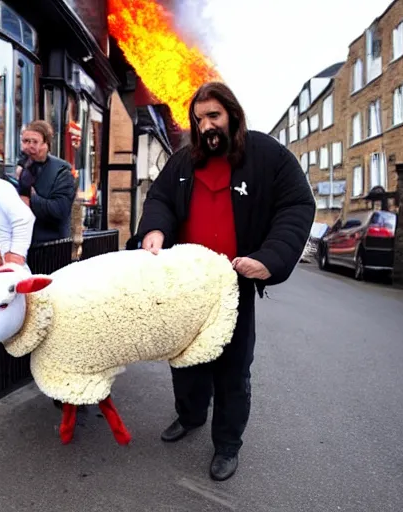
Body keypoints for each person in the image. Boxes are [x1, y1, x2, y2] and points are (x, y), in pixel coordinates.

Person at [132, 82, 316, 481]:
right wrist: (155, 231)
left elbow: (297, 204)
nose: (206, 126)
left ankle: (228, 446)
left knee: (233, 370)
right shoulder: (183, 162)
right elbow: (159, 198)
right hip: (185, 285)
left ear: (232, 114)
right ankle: (191, 415)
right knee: (185, 360)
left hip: (232, 286)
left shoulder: (268, 156)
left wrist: (269, 259)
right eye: (199, 120)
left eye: (213, 116)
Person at [16, 120, 75, 243]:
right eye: (26, 141)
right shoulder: (22, 167)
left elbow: (60, 210)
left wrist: (31, 200)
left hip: (51, 247)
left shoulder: (62, 172)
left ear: (45, 144)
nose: (29, 146)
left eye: (35, 142)